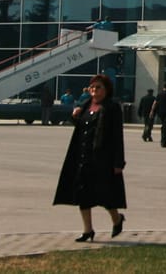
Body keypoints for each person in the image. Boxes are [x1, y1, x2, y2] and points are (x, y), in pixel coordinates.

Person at [53, 73, 127, 243]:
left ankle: (117, 219)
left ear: (106, 89)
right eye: (92, 87)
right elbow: (80, 127)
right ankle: (88, 230)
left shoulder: (112, 107)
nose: (94, 90)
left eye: (98, 87)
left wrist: (118, 162)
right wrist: (75, 116)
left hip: (103, 159)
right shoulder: (85, 105)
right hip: (83, 157)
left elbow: (117, 136)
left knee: (106, 194)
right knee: (83, 194)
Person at [150, 82, 166, 148]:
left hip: (161, 112)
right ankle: (164, 142)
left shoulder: (159, 94)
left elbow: (154, 103)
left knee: (163, 126)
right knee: (165, 127)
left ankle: (162, 141)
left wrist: (152, 111)